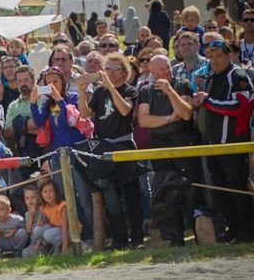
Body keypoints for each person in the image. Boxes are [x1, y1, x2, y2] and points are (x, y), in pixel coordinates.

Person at [78, 53, 144, 249]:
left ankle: (138, 238)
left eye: (115, 69)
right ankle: (120, 240)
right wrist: (82, 91)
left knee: (132, 196)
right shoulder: (99, 91)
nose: (111, 73)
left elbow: (125, 111)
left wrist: (111, 88)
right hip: (104, 148)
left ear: (124, 72)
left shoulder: (130, 90)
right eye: (108, 68)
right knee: (112, 198)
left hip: (124, 146)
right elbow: (84, 114)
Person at [193, 41, 253, 243]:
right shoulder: (212, 76)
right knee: (220, 191)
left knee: (237, 190)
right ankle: (234, 231)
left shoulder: (237, 75)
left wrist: (208, 100)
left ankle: (246, 233)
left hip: (232, 144)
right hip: (212, 144)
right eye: (211, 57)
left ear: (229, 56)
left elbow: (240, 105)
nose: (214, 61)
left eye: (218, 56)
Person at [136, 54, 199, 246]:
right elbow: (144, 120)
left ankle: (197, 232)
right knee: (166, 191)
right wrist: (169, 119)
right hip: (160, 146)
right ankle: (173, 236)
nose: (167, 72)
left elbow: (186, 113)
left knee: (190, 190)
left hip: (183, 143)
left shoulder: (182, 85)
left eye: (168, 68)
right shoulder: (146, 91)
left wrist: (171, 92)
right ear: (153, 72)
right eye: (162, 69)